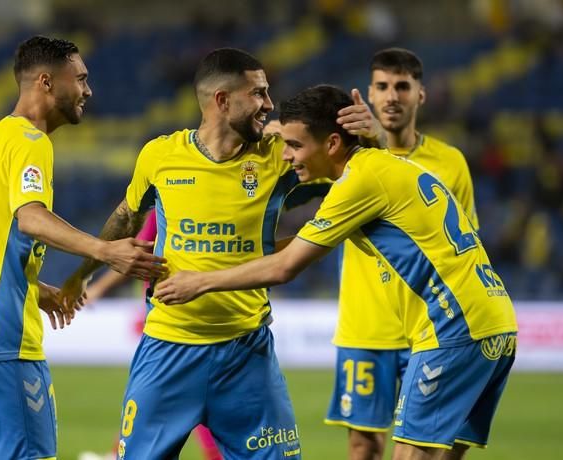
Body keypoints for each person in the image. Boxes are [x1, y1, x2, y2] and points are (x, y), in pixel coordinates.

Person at [154, 85, 518, 460]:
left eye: (295, 145)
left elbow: (285, 266)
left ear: (331, 145)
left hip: (453, 326)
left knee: (410, 455)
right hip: (495, 322)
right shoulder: (382, 167)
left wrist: (200, 280)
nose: (286, 156)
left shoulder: (359, 182)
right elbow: (287, 249)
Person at [61, 48, 381, 459]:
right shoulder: (160, 156)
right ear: (222, 100)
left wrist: (372, 138)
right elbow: (125, 217)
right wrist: (83, 273)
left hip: (246, 354)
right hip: (167, 350)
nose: (269, 104)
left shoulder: (280, 157)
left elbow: (361, 178)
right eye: (259, 94)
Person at [0, 36, 165, 460]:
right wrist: (107, 250)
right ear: (45, 82)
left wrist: (36, 291)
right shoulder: (29, 141)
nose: (88, 90)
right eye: (80, 78)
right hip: (1, 340)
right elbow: (31, 219)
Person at [322, 48, 481, 460]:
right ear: (370, 96)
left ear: (421, 95)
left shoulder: (450, 162)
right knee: (362, 446)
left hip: (432, 326)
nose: (392, 96)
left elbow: (468, 247)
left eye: (402, 86)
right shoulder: (345, 158)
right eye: (382, 86)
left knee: (437, 446)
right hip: (366, 324)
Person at [81, 210, 224, 460]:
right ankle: (118, 453)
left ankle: (119, 454)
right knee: (161, 393)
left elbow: (139, 256)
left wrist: (98, 288)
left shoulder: (166, 206)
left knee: (172, 393)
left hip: (171, 317)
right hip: (182, 312)